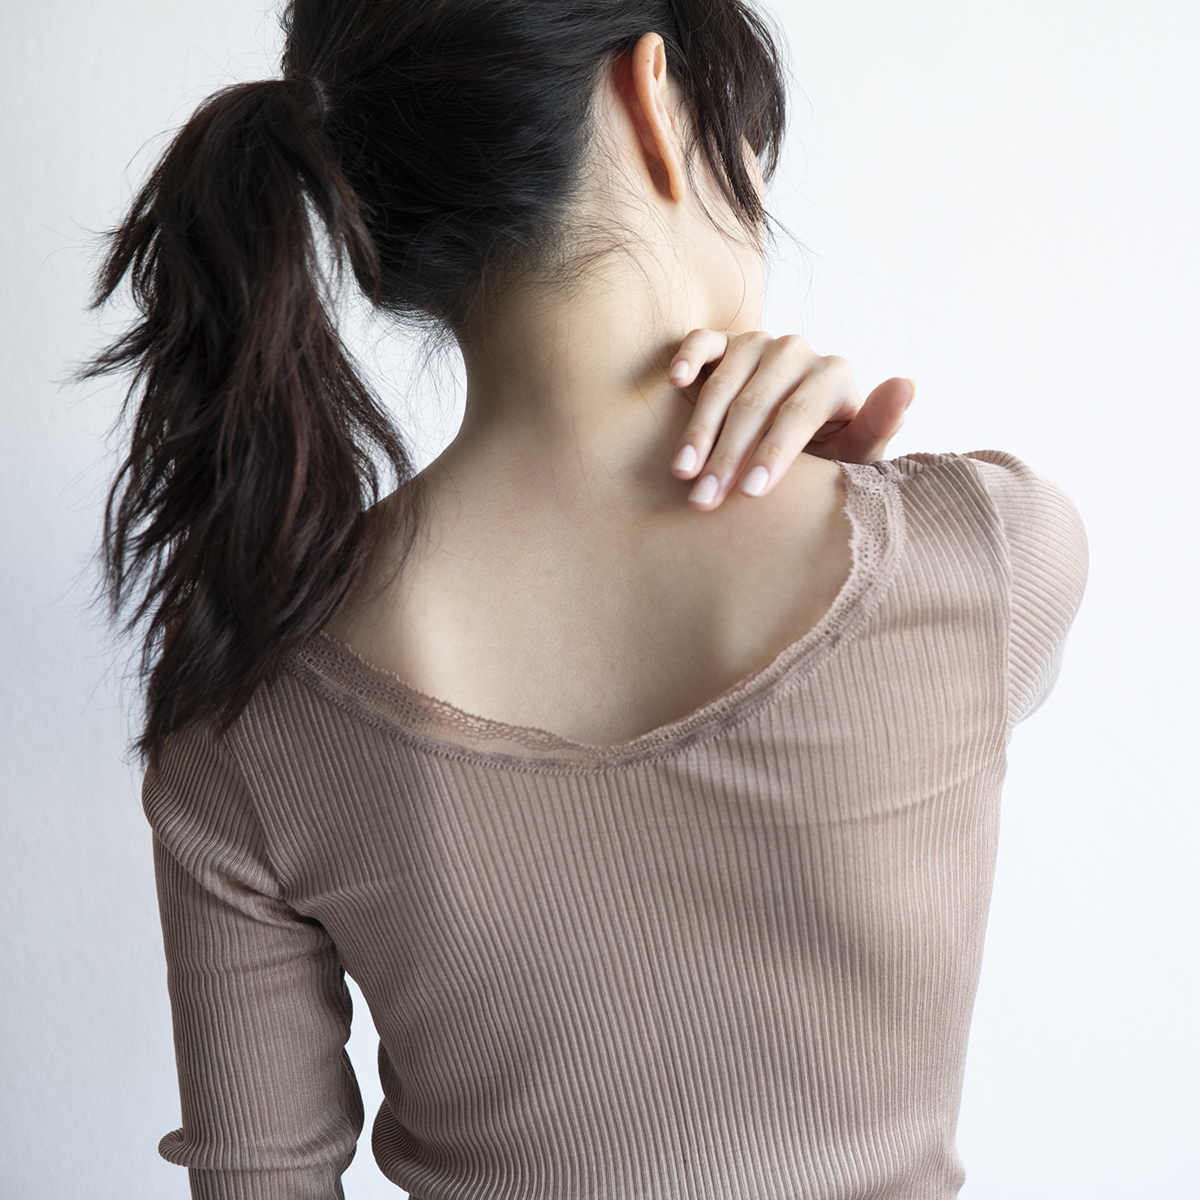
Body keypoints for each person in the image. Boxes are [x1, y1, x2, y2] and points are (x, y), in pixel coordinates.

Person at [87, 2, 1088, 1198]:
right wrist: (863, 493)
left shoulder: (244, 707)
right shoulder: (988, 551)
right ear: (652, 98)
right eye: (745, 131)